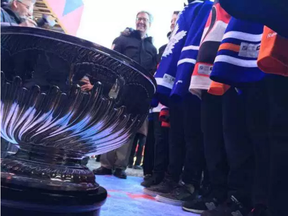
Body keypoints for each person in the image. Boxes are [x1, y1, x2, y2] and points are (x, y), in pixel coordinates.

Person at [83, 11, 157, 179]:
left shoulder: (152, 48)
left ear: (150, 24)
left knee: (127, 126)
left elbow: (152, 71)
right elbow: (111, 60)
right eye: (139, 19)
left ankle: (120, 166)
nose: (141, 22)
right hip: (117, 86)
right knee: (111, 122)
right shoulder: (122, 39)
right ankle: (106, 165)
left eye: (145, 20)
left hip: (137, 91)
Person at [141, 11, 179, 187]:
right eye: (171, 21)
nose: (172, 23)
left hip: (174, 96)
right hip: (159, 100)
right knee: (157, 139)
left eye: (176, 21)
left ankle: (165, 176)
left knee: (169, 139)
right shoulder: (163, 48)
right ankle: (153, 173)